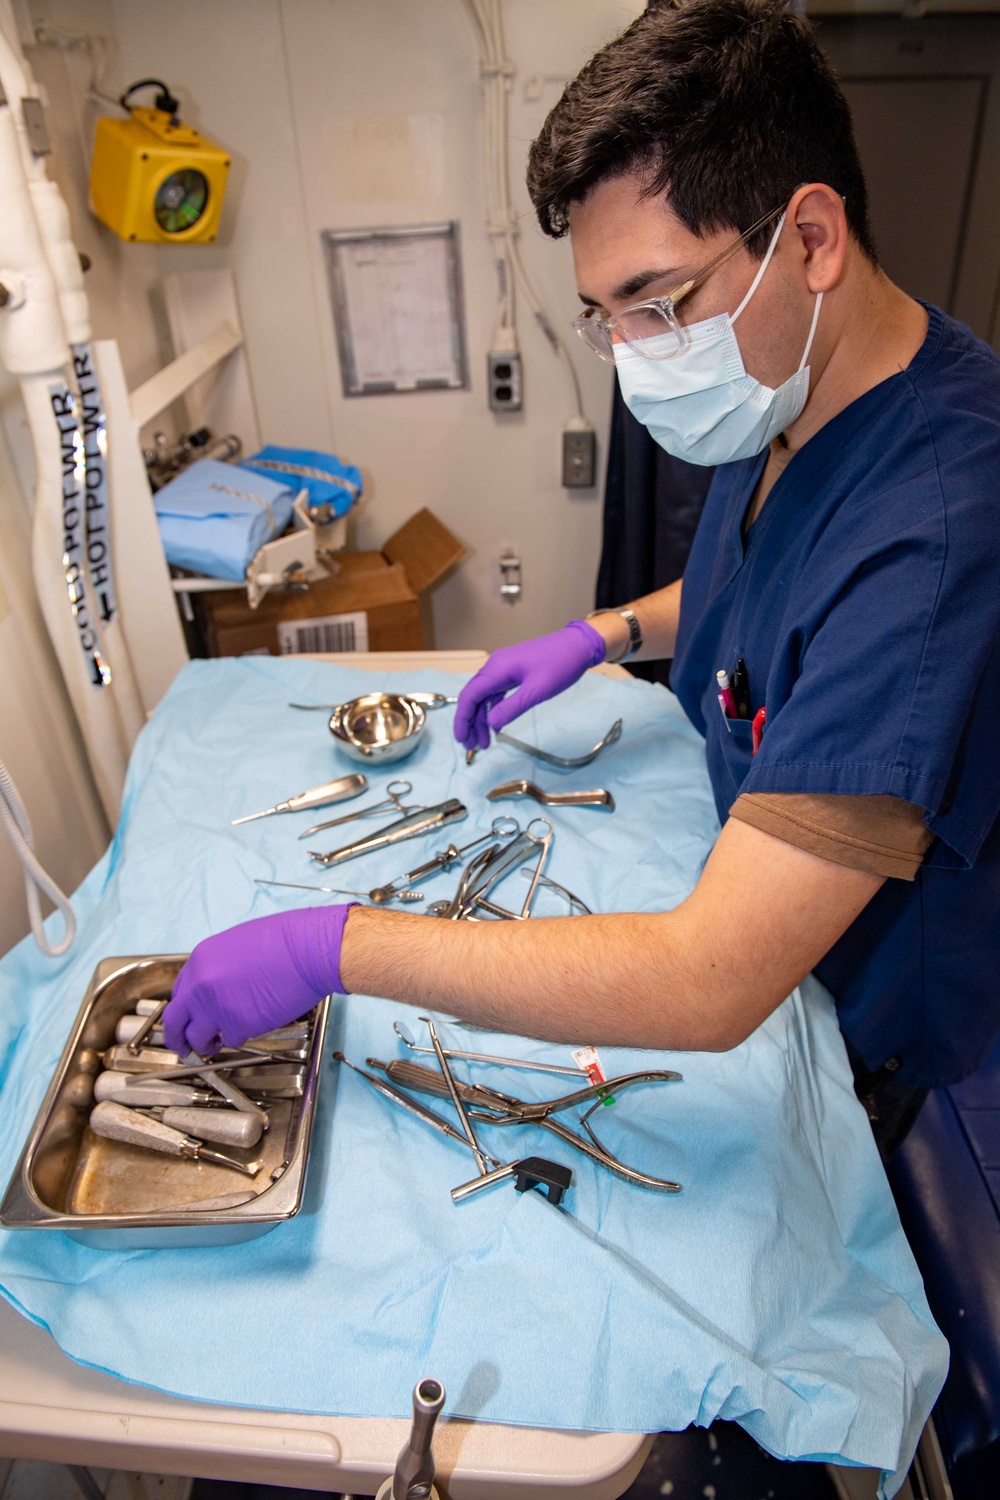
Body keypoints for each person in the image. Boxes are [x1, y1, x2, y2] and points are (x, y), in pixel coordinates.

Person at [164, 0, 1000, 1156]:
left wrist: (335, 948)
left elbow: (707, 980)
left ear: (810, 239)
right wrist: (605, 633)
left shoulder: (942, 527)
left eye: (660, 303)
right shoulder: (796, 380)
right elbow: (772, 591)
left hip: (867, 1029)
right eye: (605, 318)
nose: (638, 359)